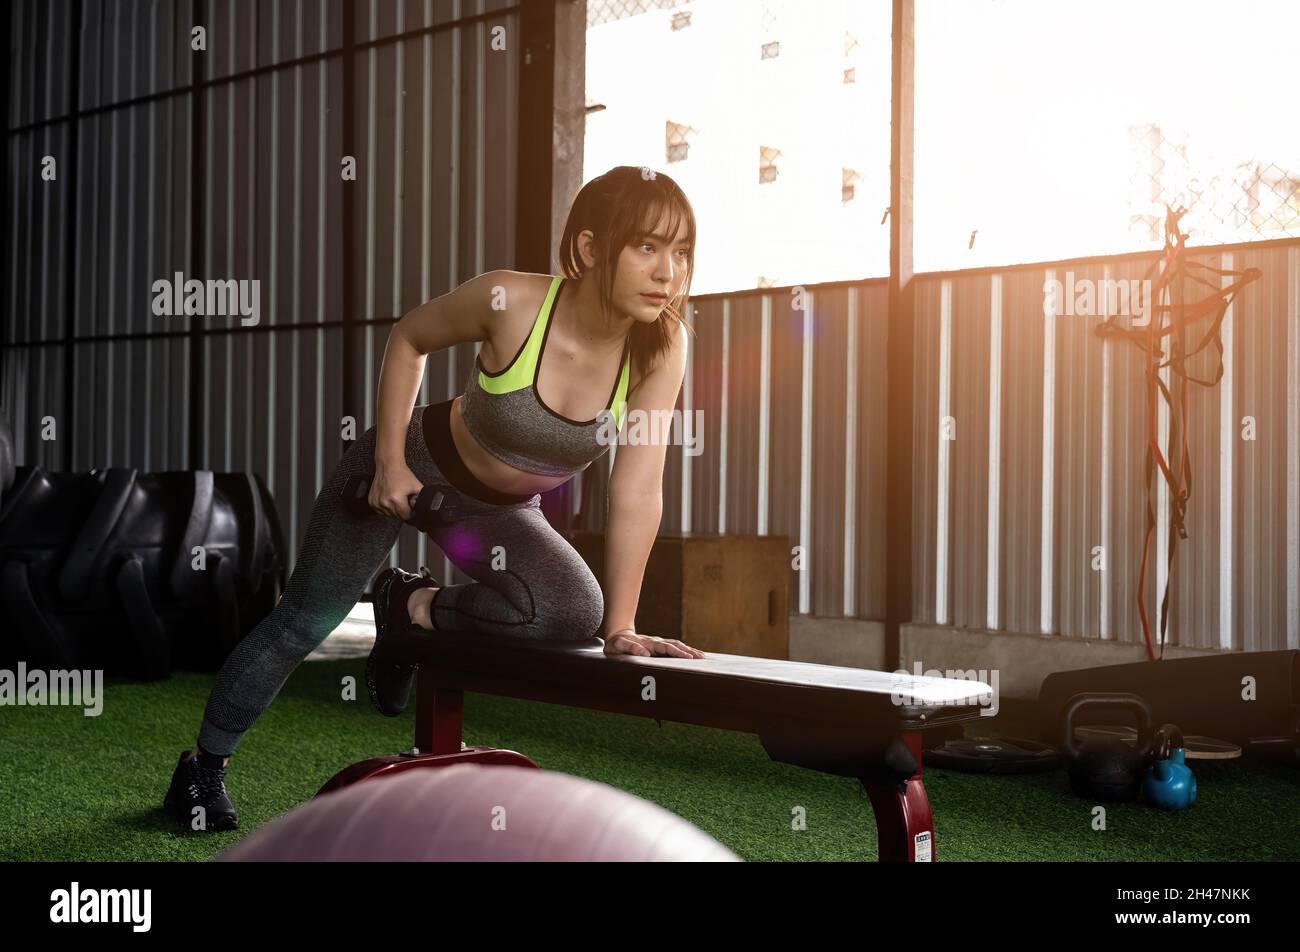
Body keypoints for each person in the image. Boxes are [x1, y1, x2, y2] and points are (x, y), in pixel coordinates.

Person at [164, 166, 706, 832]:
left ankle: (407, 606)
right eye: (648, 247)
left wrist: (621, 625)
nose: (668, 272)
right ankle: (202, 767)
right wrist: (388, 460)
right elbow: (410, 336)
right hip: (410, 467)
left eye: (680, 252)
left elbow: (637, 483)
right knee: (307, 620)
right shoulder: (510, 299)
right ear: (592, 249)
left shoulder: (662, 344)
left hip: (497, 513)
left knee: (575, 611)